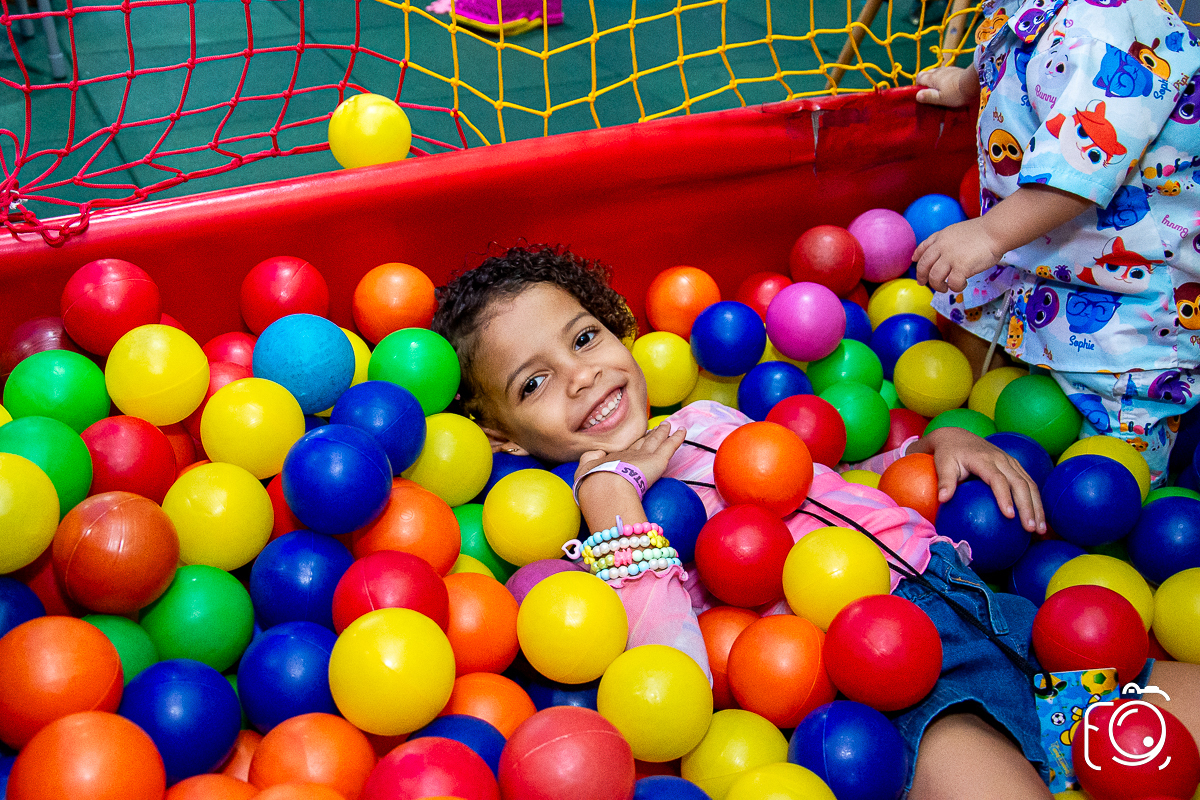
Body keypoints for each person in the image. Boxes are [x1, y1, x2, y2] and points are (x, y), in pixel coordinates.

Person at [430, 242, 1200, 798]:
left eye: (585, 338)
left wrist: (940, 441)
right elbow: (672, 673)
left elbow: (837, 486)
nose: (582, 374)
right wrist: (615, 500)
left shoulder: (706, 414)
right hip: (895, 685)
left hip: (996, 615)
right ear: (500, 436)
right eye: (534, 383)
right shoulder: (587, 517)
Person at [913, 0, 1200, 486]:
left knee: (1110, 471)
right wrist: (965, 84)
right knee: (970, 313)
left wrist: (987, 234)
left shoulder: (1110, 26)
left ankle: (1136, 496)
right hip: (1041, 251)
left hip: (1130, 284)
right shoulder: (1033, 5)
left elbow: (1086, 164)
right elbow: (1009, 41)